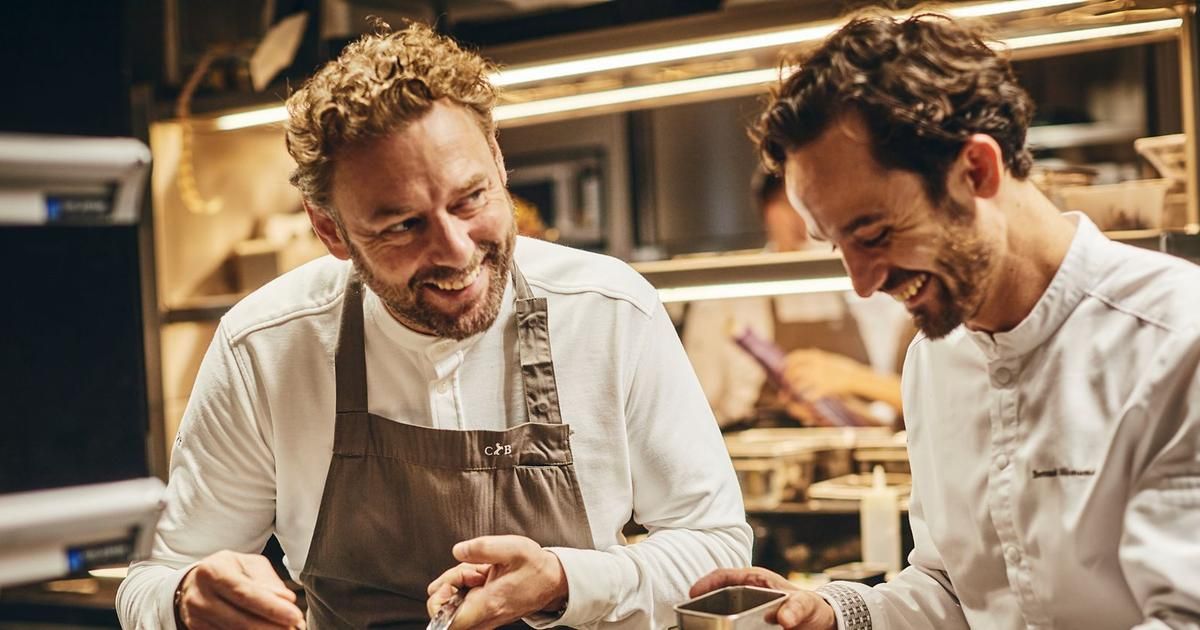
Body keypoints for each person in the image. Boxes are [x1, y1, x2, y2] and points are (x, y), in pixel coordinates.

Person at [117, 21, 751, 630]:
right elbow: (152, 579)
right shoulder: (266, 347)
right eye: (402, 225)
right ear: (330, 229)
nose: (455, 250)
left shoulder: (609, 311)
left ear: (498, 162)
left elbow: (716, 548)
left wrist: (566, 580)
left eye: (470, 198)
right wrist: (185, 598)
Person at [691, 11, 1200, 630]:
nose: (862, 282)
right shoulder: (936, 359)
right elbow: (953, 590)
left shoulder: (1177, 339)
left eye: (873, 234)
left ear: (977, 170)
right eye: (837, 245)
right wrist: (837, 613)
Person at [682, 169, 907, 429]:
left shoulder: (852, 285)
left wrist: (843, 405)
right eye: (792, 206)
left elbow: (888, 407)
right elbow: (696, 410)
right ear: (768, 211)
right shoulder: (726, 296)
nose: (805, 224)